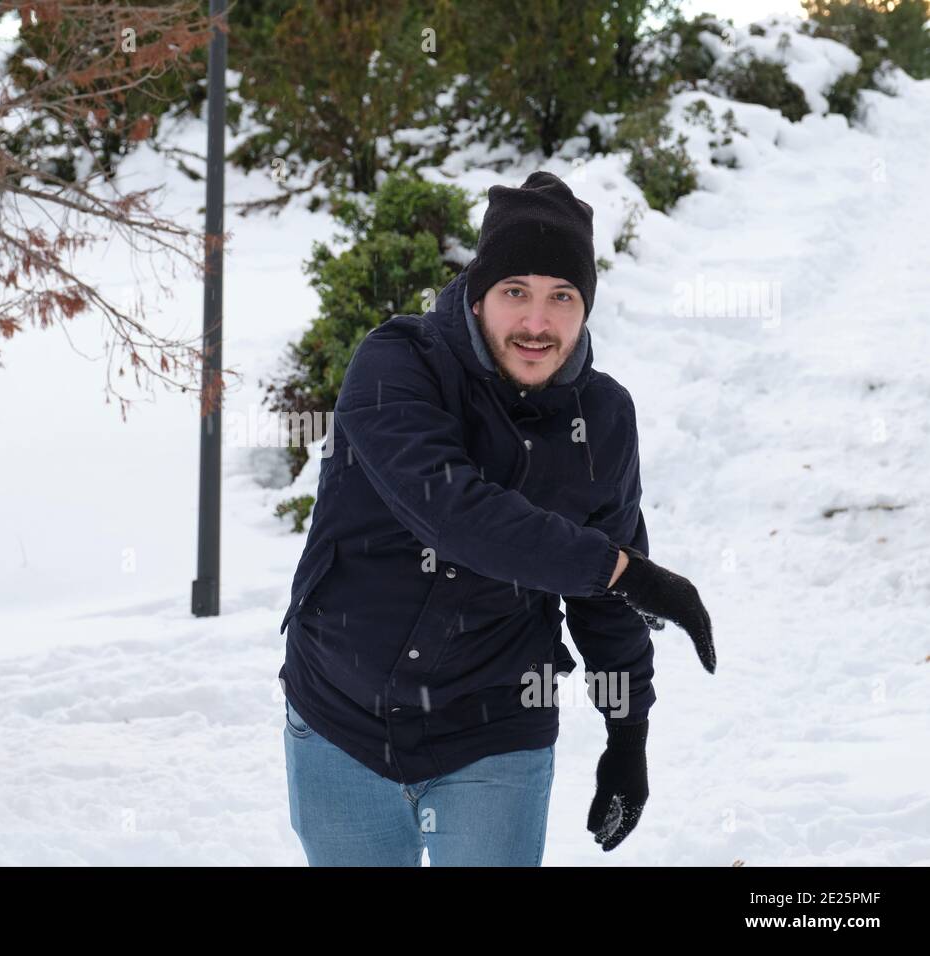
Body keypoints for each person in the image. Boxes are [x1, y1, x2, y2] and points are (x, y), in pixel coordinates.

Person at [278, 170, 715, 866]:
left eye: (561, 298)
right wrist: (621, 570)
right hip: (341, 723)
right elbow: (452, 514)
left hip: (495, 730)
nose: (537, 324)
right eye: (516, 293)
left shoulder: (601, 418)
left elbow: (604, 608)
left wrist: (627, 738)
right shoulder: (396, 364)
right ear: (479, 294)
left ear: (585, 307)